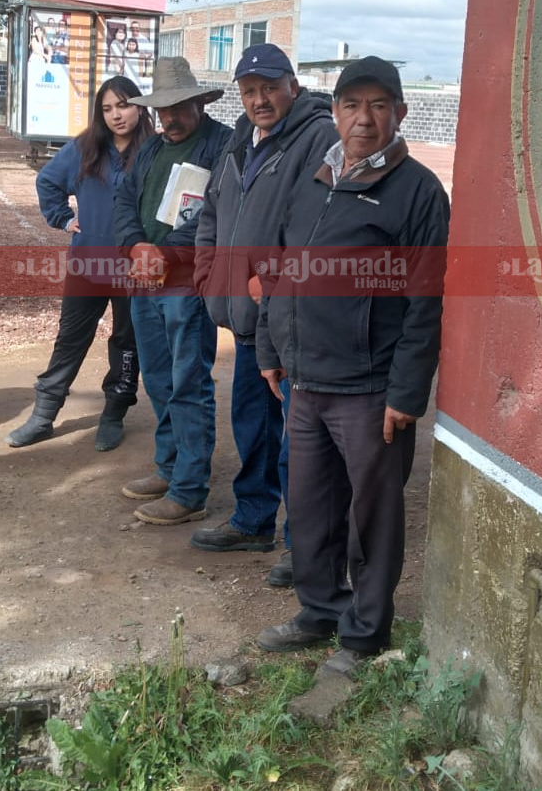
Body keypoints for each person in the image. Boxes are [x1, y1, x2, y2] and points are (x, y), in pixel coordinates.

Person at [253, 56, 450, 677]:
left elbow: (427, 301)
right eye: (351, 105)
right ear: (334, 111)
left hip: (370, 390)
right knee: (310, 507)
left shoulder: (418, 192)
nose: (363, 119)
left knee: (373, 517)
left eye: (377, 105)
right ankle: (320, 610)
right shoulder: (316, 178)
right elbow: (279, 268)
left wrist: (406, 393)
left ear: (399, 113)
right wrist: (268, 349)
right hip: (305, 381)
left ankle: (363, 634)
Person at [193, 43, 336, 589]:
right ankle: (253, 521)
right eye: (250, 91)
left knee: (300, 439)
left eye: (270, 87)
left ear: (292, 86)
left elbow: (313, 226)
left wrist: (271, 286)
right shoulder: (238, 140)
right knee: (253, 427)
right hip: (247, 321)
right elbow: (211, 211)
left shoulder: (317, 137)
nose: (260, 99)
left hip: (290, 320)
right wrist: (209, 274)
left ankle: (306, 547)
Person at [113, 57, 232, 525]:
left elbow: (216, 214)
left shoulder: (223, 146)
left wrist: (168, 253)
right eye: (162, 110)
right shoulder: (150, 148)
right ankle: (169, 467)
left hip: (187, 286)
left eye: (179, 107)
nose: (170, 119)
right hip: (145, 283)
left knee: (189, 383)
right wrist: (137, 244)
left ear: (200, 102)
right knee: (159, 380)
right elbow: (125, 199)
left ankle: (189, 490)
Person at [7, 75, 155, 451]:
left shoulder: (154, 150)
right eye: (107, 109)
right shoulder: (85, 148)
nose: (116, 115)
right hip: (88, 265)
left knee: (127, 343)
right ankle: (43, 416)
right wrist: (63, 217)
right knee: (70, 340)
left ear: (140, 105)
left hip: (134, 271)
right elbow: (48, 181)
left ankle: (113, 413)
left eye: (123, 105)